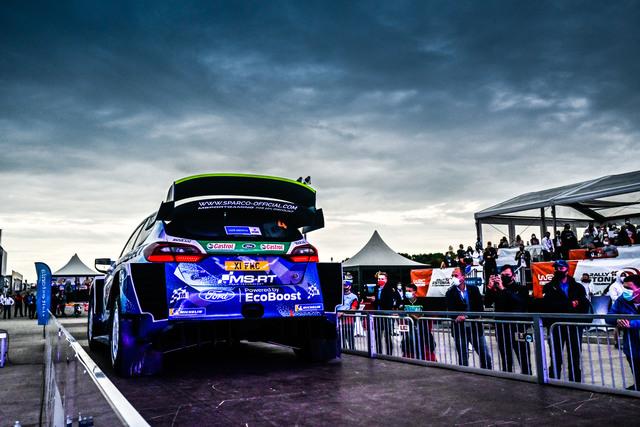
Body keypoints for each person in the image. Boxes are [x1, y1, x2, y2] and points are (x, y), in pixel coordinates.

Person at [542, 260, 591, 382]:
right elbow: (548, 305)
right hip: (556, 326)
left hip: (574, 326)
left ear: (567, 269)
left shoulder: (577, 287)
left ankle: (575, 381)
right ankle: (554, 380)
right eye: (556, 268)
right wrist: (570, 304)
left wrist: (575, 305)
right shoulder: (549, 287)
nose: (558, 270)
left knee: (574, 354)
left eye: (561, 268)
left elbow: (584, 304)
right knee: (555, 354)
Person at [485, 265, 531, 374]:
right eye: (503, 275)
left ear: (513, 276)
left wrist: (503, 289)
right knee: (506, 360)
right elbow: (487, 303)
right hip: (502, 329)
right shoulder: (497, 289)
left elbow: (520, 302)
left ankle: (528, 378)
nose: (505, 277)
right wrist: (489, 288)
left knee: (524, 358)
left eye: (507, 275)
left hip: (519, 328)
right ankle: (507, 378)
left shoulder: (522, 288)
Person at [445, 269, 492, 369]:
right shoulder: (450, 293)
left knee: (485, 355)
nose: (453, 278)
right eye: (452, 275)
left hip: (475, 328)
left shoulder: (474, 289)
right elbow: (450, 310)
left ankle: (487, 373)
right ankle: (464, 375)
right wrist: (456, 317)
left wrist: (467, 317)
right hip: (459, 330)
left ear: (463, 277)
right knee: (463, 357)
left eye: (456, 275)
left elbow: (480, 308)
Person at [607, 274, 640, 390]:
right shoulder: (622, 300)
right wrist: (617, 320)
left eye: (629, 288)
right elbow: (609, 317)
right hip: (631, 344)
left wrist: (631, 323)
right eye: (624, 287)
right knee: (635, 367)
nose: (625, 291)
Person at [401, 283, 437, 361]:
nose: (407, 292)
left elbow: (426, 314)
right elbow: (400, 313)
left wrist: (416, 316)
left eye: (409, 291)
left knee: (426, 339)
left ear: (415, 292)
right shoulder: (404, 302)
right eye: (406, 291)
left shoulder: (422, 301)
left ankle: (427, 355)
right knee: (407, 339)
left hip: (422, 326)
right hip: (409, 326)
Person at [373, 272, 402, 355]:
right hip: (377, 315)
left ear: (386, 280)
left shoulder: (390, 288)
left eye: (382, 279)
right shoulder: (376, 288)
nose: (380, 280)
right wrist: (374, 301)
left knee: (387, 336)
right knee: (378, 336)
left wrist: (376, 301)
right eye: (379, 279)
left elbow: (389, 302)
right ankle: (379, 352)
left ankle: (389, 354)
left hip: (386, 314)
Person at [337, 276, 359, 350]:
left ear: (350, 287)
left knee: (350, 339)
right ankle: (343, 352)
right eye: (343, 285)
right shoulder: (339, 295)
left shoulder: (354, 297)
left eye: (346, 285)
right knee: (341, 339)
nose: (344, 287)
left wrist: (343, 313)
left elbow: (353, 309)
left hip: (348, 321)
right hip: (338, 321)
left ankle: (352, 352)